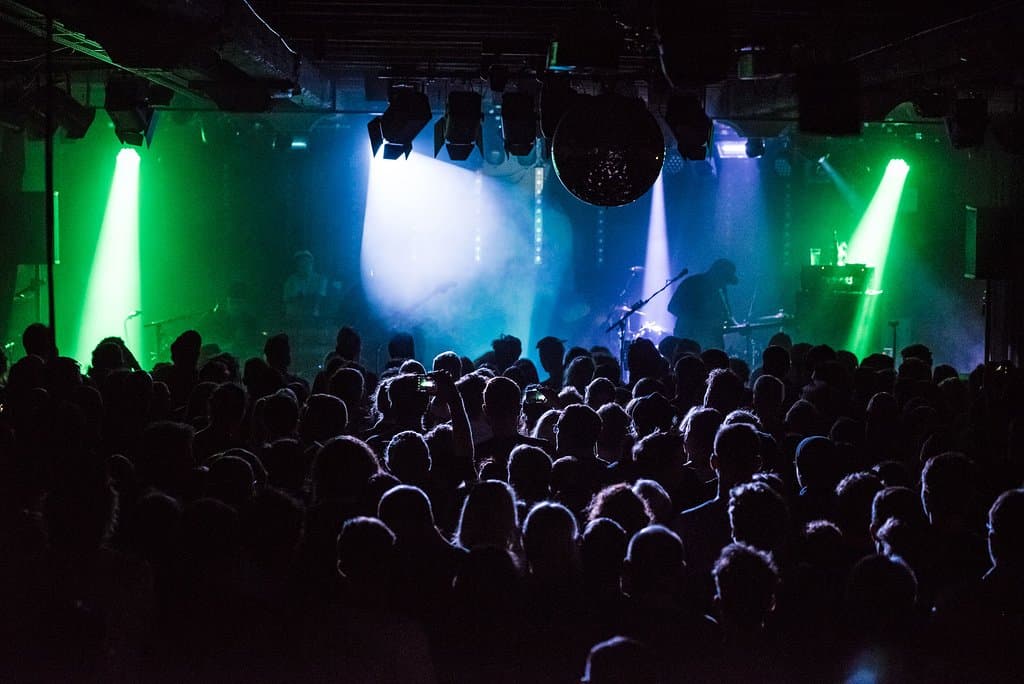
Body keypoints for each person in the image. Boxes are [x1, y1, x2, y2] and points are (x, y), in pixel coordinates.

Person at [667, 258, 739, 352]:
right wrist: (701, 322)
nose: (725, 283)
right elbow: (672, 307)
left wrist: (738, 326)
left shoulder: (721, 290)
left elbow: (727, 315)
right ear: (716, 273)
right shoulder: (692, 283)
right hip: (689, 340)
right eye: (724, 279)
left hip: (713, 342)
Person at [282, 249, 326, 321]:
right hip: (293, 320)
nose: (303, 264)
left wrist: (300, 299)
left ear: (312, 263)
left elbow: (319, 300)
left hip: (313, 320)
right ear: (296, 264)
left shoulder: (321, 279)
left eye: (306, 261)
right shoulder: (290, 280)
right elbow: (286, 301)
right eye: (300, 261)